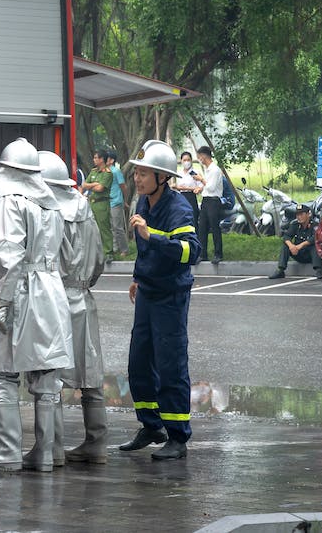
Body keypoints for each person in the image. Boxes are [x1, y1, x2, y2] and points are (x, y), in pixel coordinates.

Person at [0, 138, 72, 473]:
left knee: (1, 372)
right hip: (51, 292)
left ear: (7, 172)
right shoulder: (52, 205)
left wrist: (1, 302)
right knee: (46, 377)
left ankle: (8, 450)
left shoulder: (10, 204)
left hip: (22, 293)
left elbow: (8, 259)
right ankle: (45, 454)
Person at [119, 139, 200, 461]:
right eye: (136, 172)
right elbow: (146, 250)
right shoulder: (143, 204)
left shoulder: (179, 207)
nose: (137, 179)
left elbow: (190, 251)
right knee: (139, 363)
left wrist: (154, 235)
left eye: (144, 173)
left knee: (171, 365)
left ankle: (178, 437)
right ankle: (151, 426)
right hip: (149, 293)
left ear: (162, 177)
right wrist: (138, 277)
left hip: (171, 297)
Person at [39, 151, 108, 465]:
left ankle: (53, 450)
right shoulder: (85, 208)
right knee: (90, 374)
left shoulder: (46, 210)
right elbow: (99, 261)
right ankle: (97, 443)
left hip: (54, 299)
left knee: (48, 376)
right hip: (83, 296)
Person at [268, 204, 322, 279]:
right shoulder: (295, 224)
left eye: (301, 214)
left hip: (310, 255)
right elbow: (286, 236)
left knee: (315, 246)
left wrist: (300, 246)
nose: (299, 217)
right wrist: (291, 246)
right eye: (297, 215)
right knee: (286, 245)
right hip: (298, 253)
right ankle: (280, 270)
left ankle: (318, 270)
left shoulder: (315, 225)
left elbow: (315, 238)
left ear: (308, 214)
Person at [81, 149, 114, 260]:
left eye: (96, 158)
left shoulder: (108, 173)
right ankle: (95, 252)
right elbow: (84, 184)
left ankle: (108, 252)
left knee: (104, 228)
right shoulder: (93, 171)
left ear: (101, 159)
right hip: (92, 203)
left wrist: (92, 185)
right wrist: (94, 184)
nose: (94, 160)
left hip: (102, 204)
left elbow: (100, 189)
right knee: (91, 228)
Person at [195, 145, 223, 263]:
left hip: (213, 201)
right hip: (206, 200)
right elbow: (207, 186)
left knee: (214, 227)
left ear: (204, 156)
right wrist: (200, 188)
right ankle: (203, 254)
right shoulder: (207, 170)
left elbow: (211, 187)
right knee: (202, 227)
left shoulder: (215, 170)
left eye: (199, 157)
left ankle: (218, 254)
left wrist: (201, 179)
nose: (199, 159)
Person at [107, 151, 129, 258]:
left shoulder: (116, 171)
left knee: (117, 227)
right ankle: (114, 249)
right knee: (110, 227)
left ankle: (124, 249)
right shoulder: (103, 171)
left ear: (111, 160)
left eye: (106, 158)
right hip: (106, 202)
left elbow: (123, 186)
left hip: (116, 202)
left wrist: (125, 200)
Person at [172, 151, 201, 229]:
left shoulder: (194, 173)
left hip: (191, 196)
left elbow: (199, 187)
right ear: (181, 161)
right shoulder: (179, 173)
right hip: (181, 197)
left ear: (191, 160)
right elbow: (177, 187)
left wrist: (185, 188)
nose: (186, 162)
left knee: (193, 219)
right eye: (184, 160)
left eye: (188, 160)